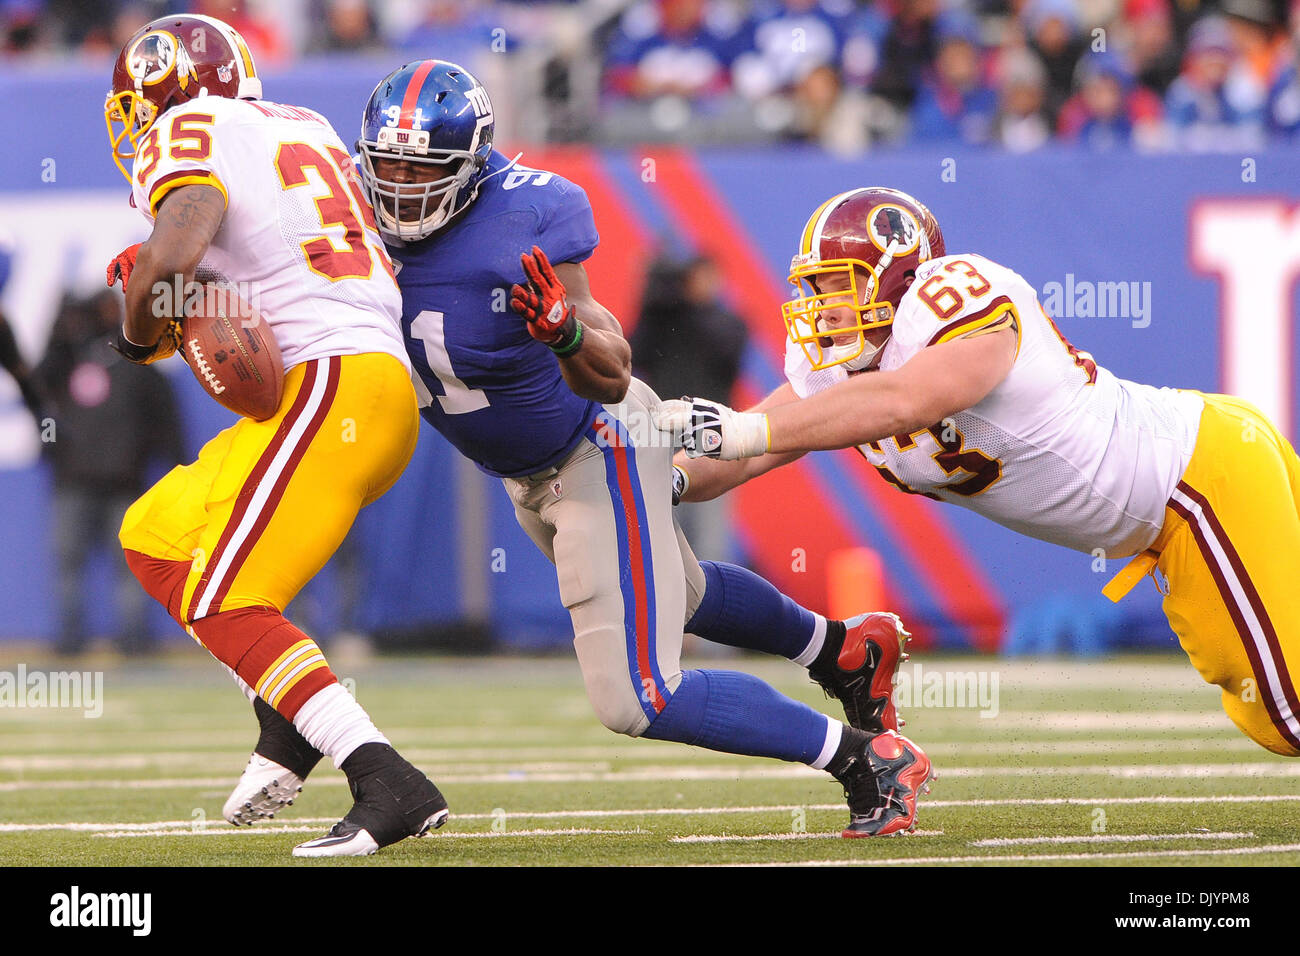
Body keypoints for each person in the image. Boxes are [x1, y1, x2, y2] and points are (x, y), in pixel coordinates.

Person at [225, 59, 933, 841]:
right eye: (386, 164)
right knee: (680, 591)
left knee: (638, 696)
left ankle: (865, 758)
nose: (400, 186)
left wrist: (562, 330)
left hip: (599, 444)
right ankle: (840, 649)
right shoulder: (341, 211)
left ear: (472, 165)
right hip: (523, 472)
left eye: (423, 168)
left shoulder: (529, 213)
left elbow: (612, 368)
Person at [657, 186, 1300, 759]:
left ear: (898, 276)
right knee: (1268, 713)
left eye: (835, 284)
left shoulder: (957, 299)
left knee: (1289, 713)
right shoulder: (840, 364)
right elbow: (746, 452)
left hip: (1200, 477)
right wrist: (659, 482)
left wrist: (742, 428)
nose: (820, 306)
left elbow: (906, 400)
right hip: (1164, 524)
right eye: (814, 287)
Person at [103, 13, 444, 857]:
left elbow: (177, 251)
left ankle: (384, 777)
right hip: (359, 389)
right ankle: (287, 725)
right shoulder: (304, 124)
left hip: (329, 388)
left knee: (225, 598)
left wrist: (141, 323)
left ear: (164, 88)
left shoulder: (187, 125)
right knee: (154, 533)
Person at [33, 290, 183, 656]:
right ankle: (69, 640)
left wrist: (172, 464)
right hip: (74, 480)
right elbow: (39, 398)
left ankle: (133, 640)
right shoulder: (65, 359)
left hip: (124, 482)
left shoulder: (138, 361)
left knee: (128, 563)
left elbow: (164, 419)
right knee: (69, 561)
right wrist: (59, 336)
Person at [629, 253, 747, 561]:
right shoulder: (662, 320)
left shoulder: (729, 322)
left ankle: (713, 601)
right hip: (663, 435)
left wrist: (687, 303)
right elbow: (635, 354)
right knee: (664, 531)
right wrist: (651, 300)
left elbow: (726, 352)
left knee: (710, 539)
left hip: (711, 437)